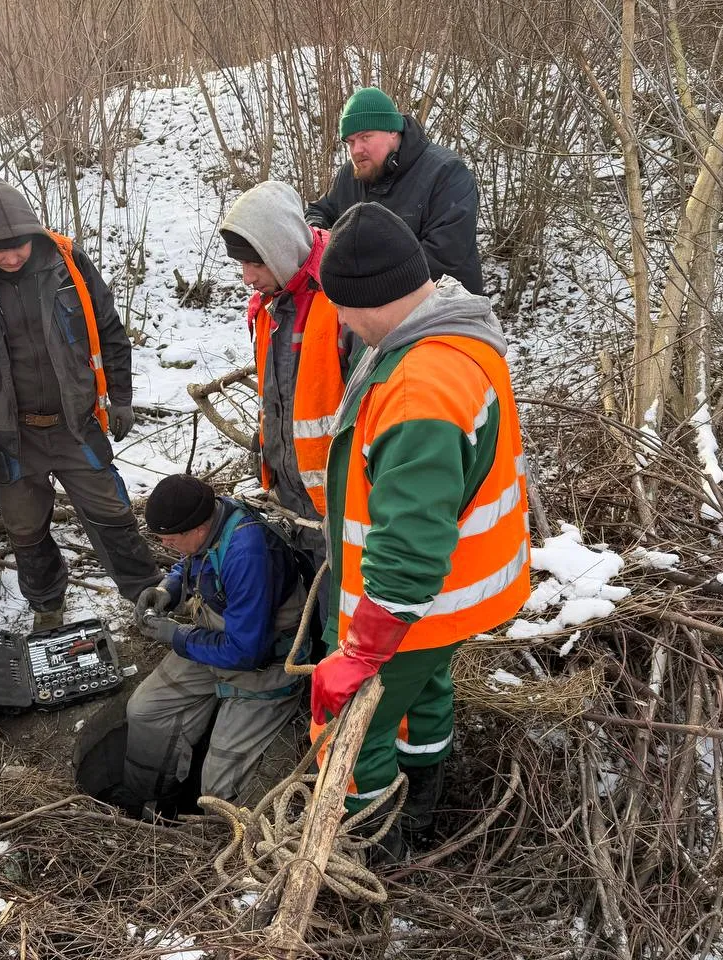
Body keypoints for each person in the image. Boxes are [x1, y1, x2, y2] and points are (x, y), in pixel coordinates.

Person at [311, 202, 531, 858]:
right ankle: (423, 812)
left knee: (354, 731)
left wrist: (361, 654)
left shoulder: (420, 388)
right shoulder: (451, 331)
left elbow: (410, 543)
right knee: (425, 696)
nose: (342, 322)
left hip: (413, 607)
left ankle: (373, 855)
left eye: (343, 307)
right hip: (450, 602)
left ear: (370, 298)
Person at [0, 175, 161, 629]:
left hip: (75, 423)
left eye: (20, 247)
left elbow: (110, 331)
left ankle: (147, 594)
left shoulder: (67, 265)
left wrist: (122, 398)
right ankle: (48, 608)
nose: (12, 257)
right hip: (4, 437)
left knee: (111, 512)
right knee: (27, 530)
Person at [121, 474, 307, 812]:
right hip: (216, 641)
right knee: (145, 711)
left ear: (196, 529)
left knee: (217, 795)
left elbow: (248, 652)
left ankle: (215, 840)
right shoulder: (212, 519)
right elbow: (193, 560)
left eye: (170, 539)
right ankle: (145, 802)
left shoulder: (247, 553)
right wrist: (169, 587)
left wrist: (178, 637)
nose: (165, 546)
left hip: (264, 666)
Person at [218, 180, 361, 573]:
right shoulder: (269, 305)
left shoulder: (343, 297)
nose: (247, 277)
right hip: (292, 495)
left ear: (281, 249)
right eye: (241, 265)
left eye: (255, 263)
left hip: (341, 498)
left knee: (341, 602)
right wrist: (267, 442)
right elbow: (277, 391)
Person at [305, 86, 484, 296]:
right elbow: (319, 211)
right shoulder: (351, 175)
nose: (356, 150)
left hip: (443, 311)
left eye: (365, 137)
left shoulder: (447, 173)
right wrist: (316, 238)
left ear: (392, 131)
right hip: (370, 314)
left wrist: (363, 276)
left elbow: (445, 257)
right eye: (350, 142)